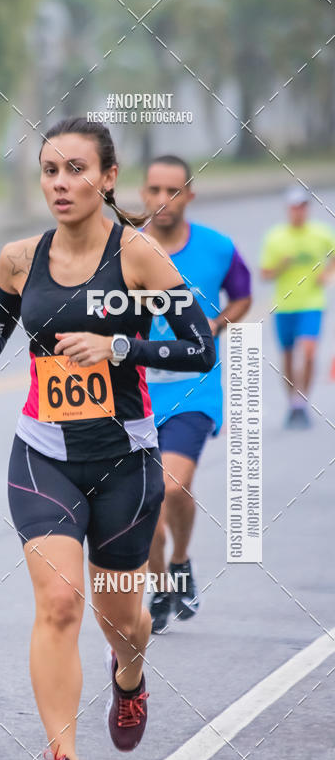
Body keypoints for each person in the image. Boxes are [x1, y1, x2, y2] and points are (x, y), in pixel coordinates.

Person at [0, 119, 215, 760]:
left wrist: (120, 347)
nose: (60, 184)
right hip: (42, 455)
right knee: (58, 603)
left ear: (107, 178)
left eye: (75, 170)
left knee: (120, 620)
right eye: (50, 170)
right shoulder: (17, 259)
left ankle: (129, 679)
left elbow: (199, 349)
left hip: (125, 463)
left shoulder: (139, 257)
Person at [140, 155, 252, 633]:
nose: (161, 200)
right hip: (137, 395)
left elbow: (243, 293)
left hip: (193, 390)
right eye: (153, 190)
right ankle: (162, 583)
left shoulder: (217, 248)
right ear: (142, 193)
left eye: (172, 190)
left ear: (188, 195)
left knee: (172, 488)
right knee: (144, 506)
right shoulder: (128, 248)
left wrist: (214, 325)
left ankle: (180, 559)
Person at [260, 186, 335, 429]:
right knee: (289, 355)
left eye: (303, 206)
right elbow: (265, 273)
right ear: (288, 210)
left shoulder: (321, 234)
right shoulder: (276, 237)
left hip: (312, 303)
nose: (298, 211)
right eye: (294, 207)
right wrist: (281, 265)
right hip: (284, 305)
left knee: (310, 351)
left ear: (307, 209)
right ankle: (293, 402)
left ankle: (303, 401)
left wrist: (328, 273)